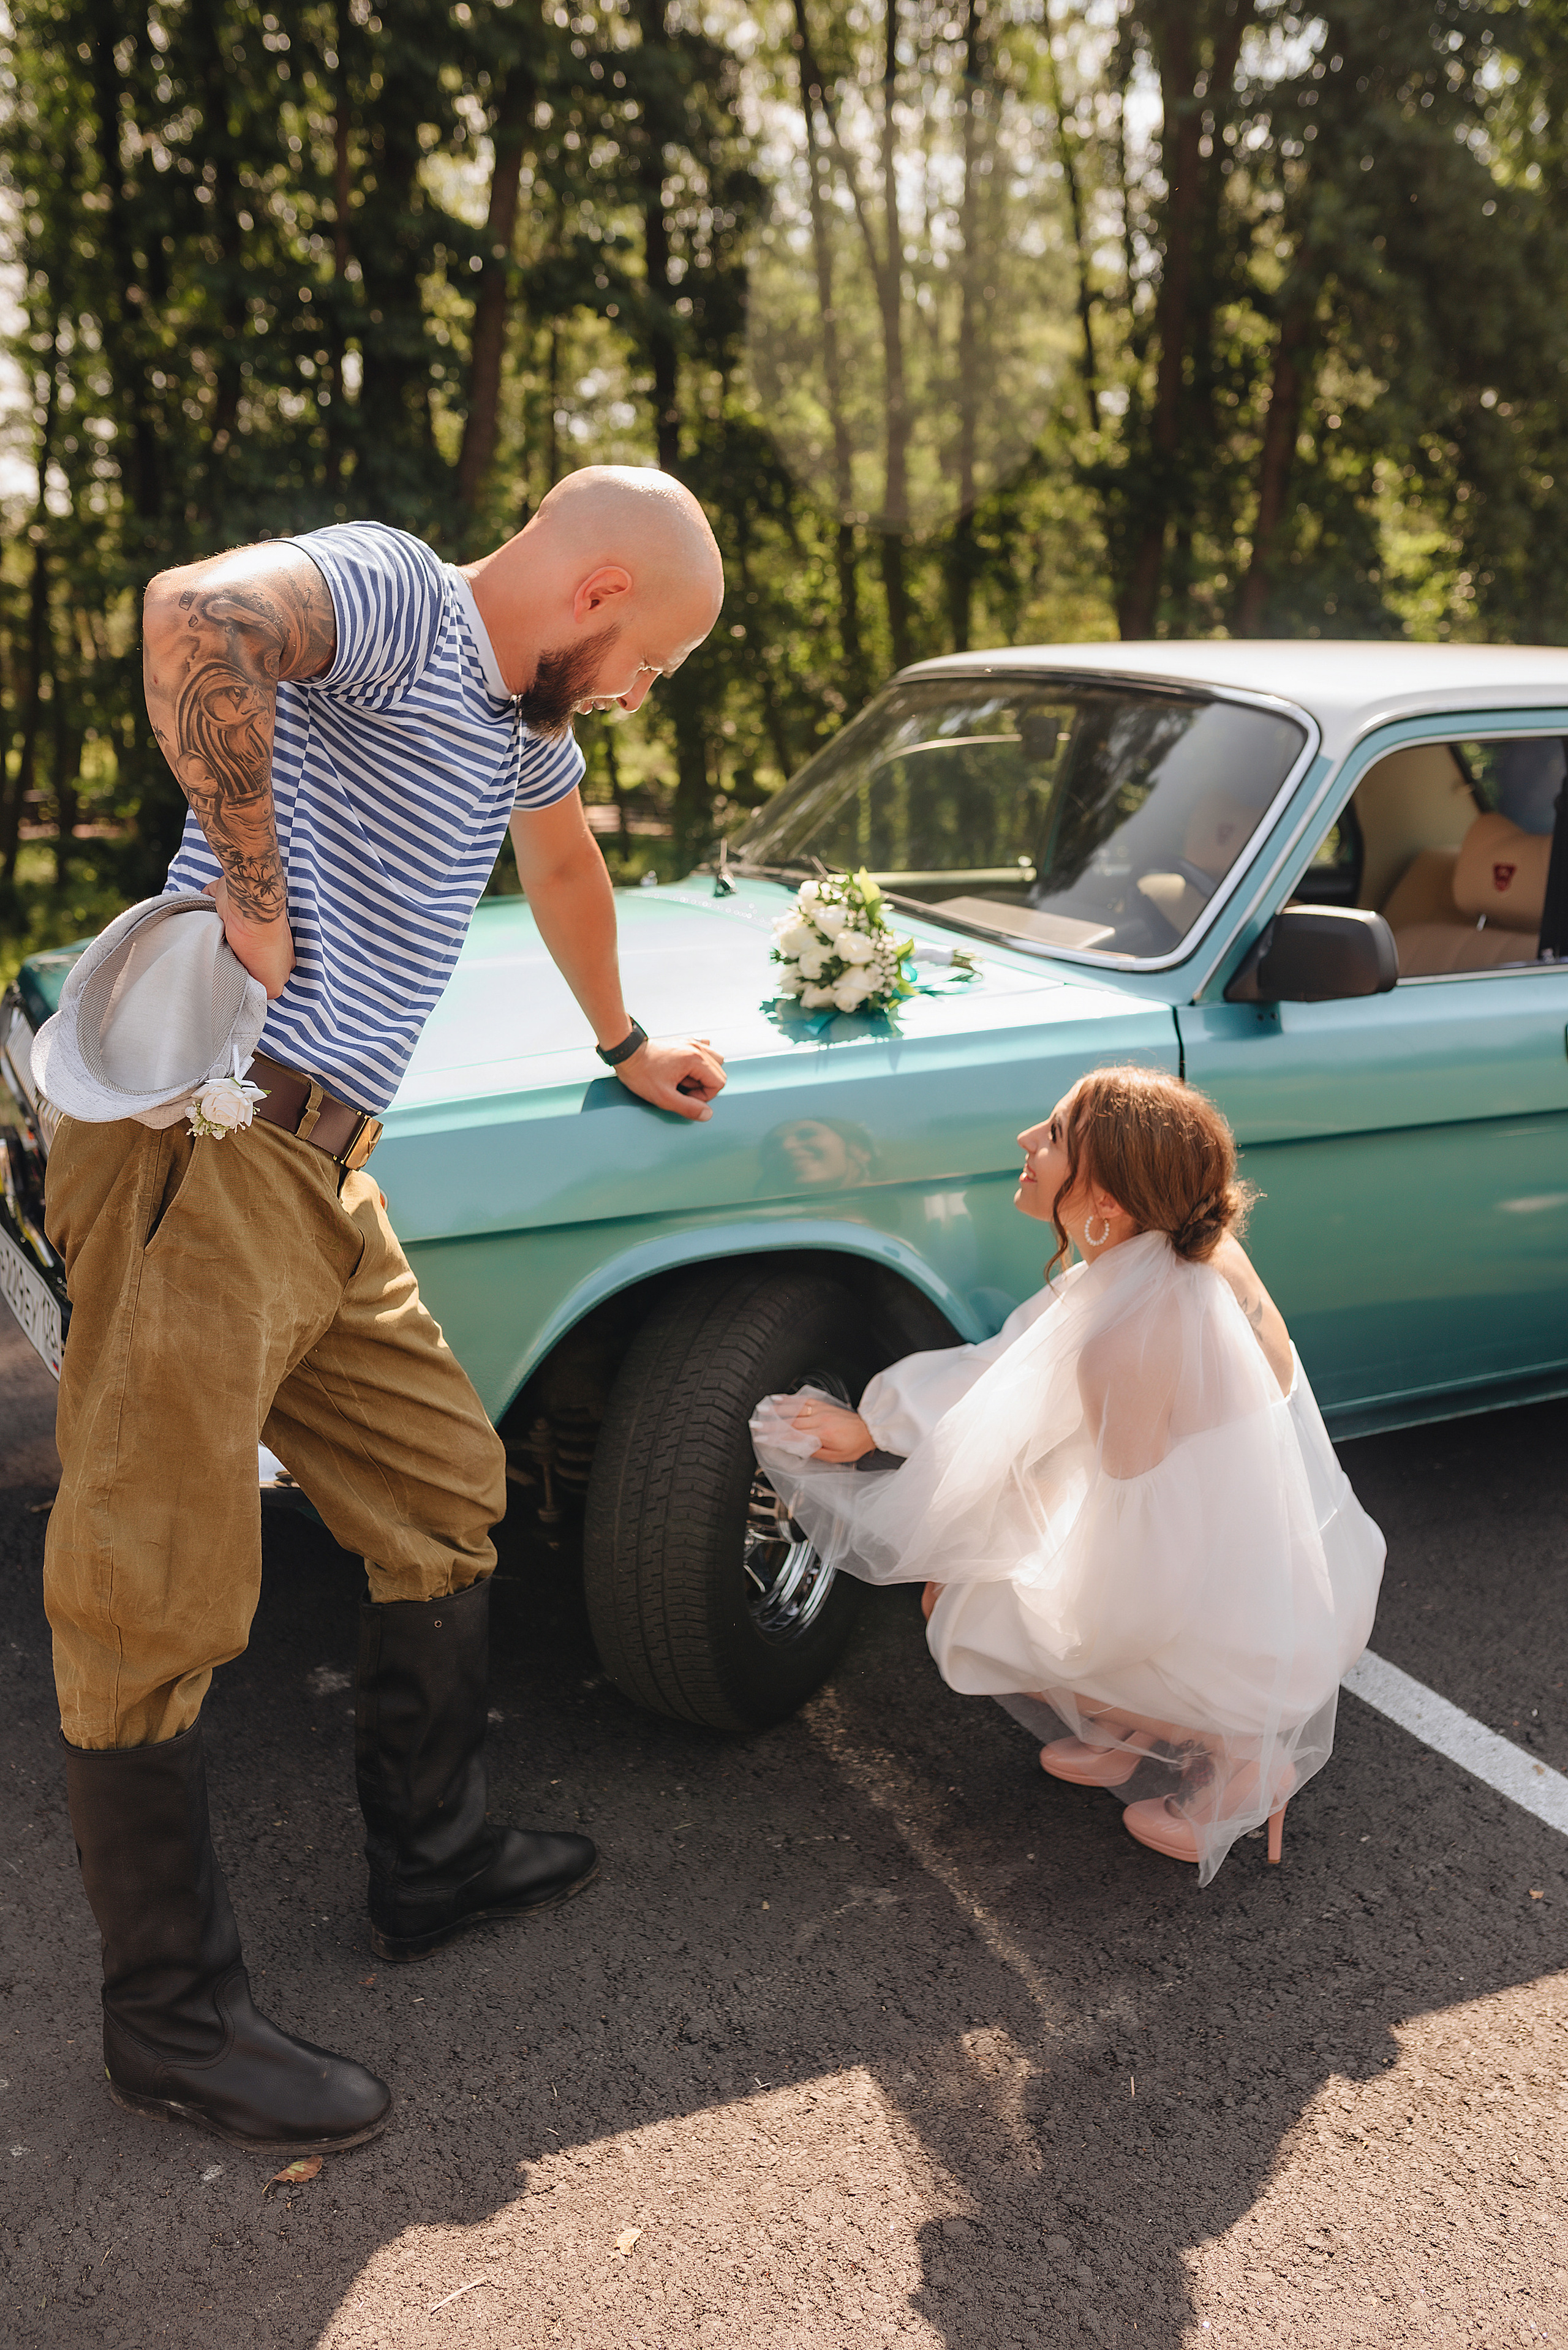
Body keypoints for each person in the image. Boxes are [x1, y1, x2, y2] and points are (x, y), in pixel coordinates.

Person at [42, 466, 728, 2153]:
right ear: (596, 595)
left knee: (443, 1480)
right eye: (656, 659)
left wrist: (623, 1038)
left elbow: (563, 867)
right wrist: (256, 886)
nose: (646, 694)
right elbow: (194, 614)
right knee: (155, 1580)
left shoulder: (513, 724)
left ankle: (431, 1859)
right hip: (208, 1142)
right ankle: (170, 2017)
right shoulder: (405, 601)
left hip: (323, 1169)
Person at [752, 1065, 1384, 1884]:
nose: (1027, 1141)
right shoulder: (1190, 1250)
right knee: (994, 1558)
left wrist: (995, 1570)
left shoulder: (1129, 1335)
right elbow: (1019, 1365)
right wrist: (878, 1424)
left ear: (1108, 1204)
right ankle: (1138, 1730)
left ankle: (1240, 1760)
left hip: (1229, 1608)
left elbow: (1139, 1551)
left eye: (1052, 1135)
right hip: (1289, 1567)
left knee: (959, 1603)